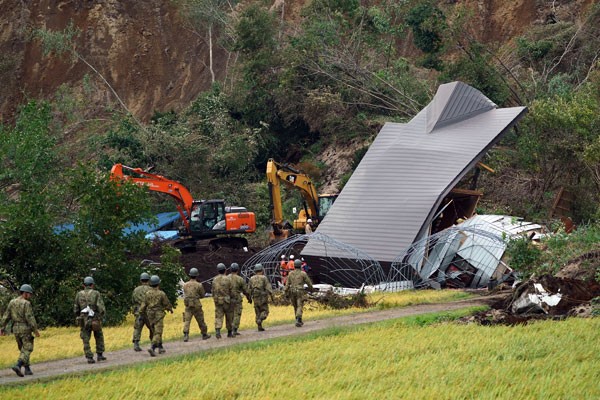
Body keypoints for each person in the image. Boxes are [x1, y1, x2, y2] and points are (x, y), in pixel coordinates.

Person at [0, 284, 40, 377]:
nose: (30, 296)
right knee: (28, 348)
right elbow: (30, 318)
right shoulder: (26, 303)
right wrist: (35, 330)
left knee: (22, 349)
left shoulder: (12, 302)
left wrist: (2, 327)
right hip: (25, 328)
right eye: (29, 294)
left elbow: (6, 316)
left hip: (15, 329)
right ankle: (18, 365)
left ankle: (27, 369)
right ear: (25, 293)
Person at [73, 276, 106, 364]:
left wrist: (78, 316)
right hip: (95, 318)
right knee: (98, 335)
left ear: (83, 285)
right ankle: (100, 355)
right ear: (92, 285)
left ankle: (89, 357)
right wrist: (101, 316)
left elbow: (76, 308)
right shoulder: (96, 293)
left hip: (83, 319)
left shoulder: (79, 294)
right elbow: (101, 307)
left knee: (85, 338)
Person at [139, 275, 173, 356]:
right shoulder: (161, 293)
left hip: (150, 315)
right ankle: (152, 347)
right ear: (158, 284)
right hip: (158, 314)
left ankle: (160, 347)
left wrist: (141, 313)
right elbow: (166, 303)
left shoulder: (147, 293)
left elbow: (143, 304)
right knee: (158, 332)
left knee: (155, 330)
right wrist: (170, 309)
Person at [182, 268, 210, 342]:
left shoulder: (185, 285)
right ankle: (204, 334)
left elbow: (185, 294)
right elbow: (202, 295)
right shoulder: (199, 285)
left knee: (187, 320)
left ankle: (186, 335)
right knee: (200, 320)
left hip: (187, 304)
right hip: (196, 304)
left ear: (190, 275)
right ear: (196, 276)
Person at [285, 259, 313, 327]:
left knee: (295, 306)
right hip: (300, 291)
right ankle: (298, 319)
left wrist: (286, 292)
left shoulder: (290, 273)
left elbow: (287, 284)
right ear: (300, 266)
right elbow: (308, 282)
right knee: (299, 306)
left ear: (294, 266)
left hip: (292, 291)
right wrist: (311, 289)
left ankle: (299, 320)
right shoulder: (303, 273)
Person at [248, 264, 273, 331]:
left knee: (257, 311)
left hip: (255, 296)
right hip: (263, 296)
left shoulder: (251, 278)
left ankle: (259, 326)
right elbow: (268, 287)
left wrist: (249, 298)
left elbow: (249, 289)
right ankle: (260, 319)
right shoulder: (264, 278)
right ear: (262, 270)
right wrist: (271, 295)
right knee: (265, 310)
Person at [132, 272, 153, 352]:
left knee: (137, 328)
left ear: (141, 280)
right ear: (148, 280)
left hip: (139, 312)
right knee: (152, 328)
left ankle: (136, 344)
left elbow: (133, 300)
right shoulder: (151, 290)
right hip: (148, 312)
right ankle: (153, 343)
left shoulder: (136, 290)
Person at [212, 262, 234, 339]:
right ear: (225, 270)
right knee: (229, 316)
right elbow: (231, 290)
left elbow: (213, 291)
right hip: (227, 301)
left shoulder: (214, 280)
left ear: (218, 271)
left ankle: (218, 331)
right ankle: (229, 332)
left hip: (218, 301)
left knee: (218, 316)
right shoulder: (228, 279)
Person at [229, 263, 251, 336]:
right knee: (237, 314)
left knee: (230, 314)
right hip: (237, 299)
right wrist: (249, 298)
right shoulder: (240, 279)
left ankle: (229, 329)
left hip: (228, 299)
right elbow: (246, 291)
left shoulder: (226, 278)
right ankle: (234, 329)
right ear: (237, 270)